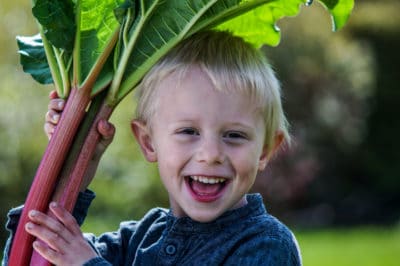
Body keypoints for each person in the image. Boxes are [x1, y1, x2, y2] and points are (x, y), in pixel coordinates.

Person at [3, 30, 302, 265]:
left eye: (234, 135)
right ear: (148, 142)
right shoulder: (137, 240)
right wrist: (75, 162)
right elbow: (28, 259)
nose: (210, 154)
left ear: (265, 149)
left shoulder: (266, 245)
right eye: (188, 131)